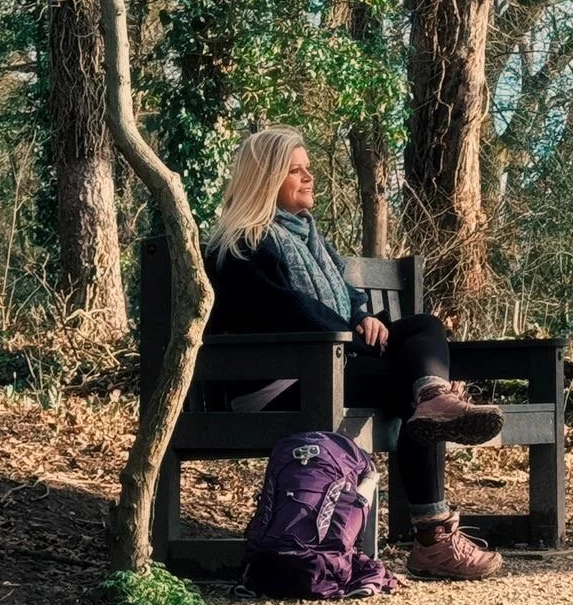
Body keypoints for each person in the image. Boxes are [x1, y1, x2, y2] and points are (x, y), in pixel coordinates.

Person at [203, 126, 505, 580]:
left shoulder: (310, 238)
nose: (309, 178)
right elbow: (294, 314)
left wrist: (363, 315)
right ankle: (433, 540)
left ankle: (433, 395)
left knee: (423, 328)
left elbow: (345, 297)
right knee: (409, 394)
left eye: (308, 169)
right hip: (278, 382)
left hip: (330, 363)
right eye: (295, 171)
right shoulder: (243, 244)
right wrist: (360, 338)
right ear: (265, 179)